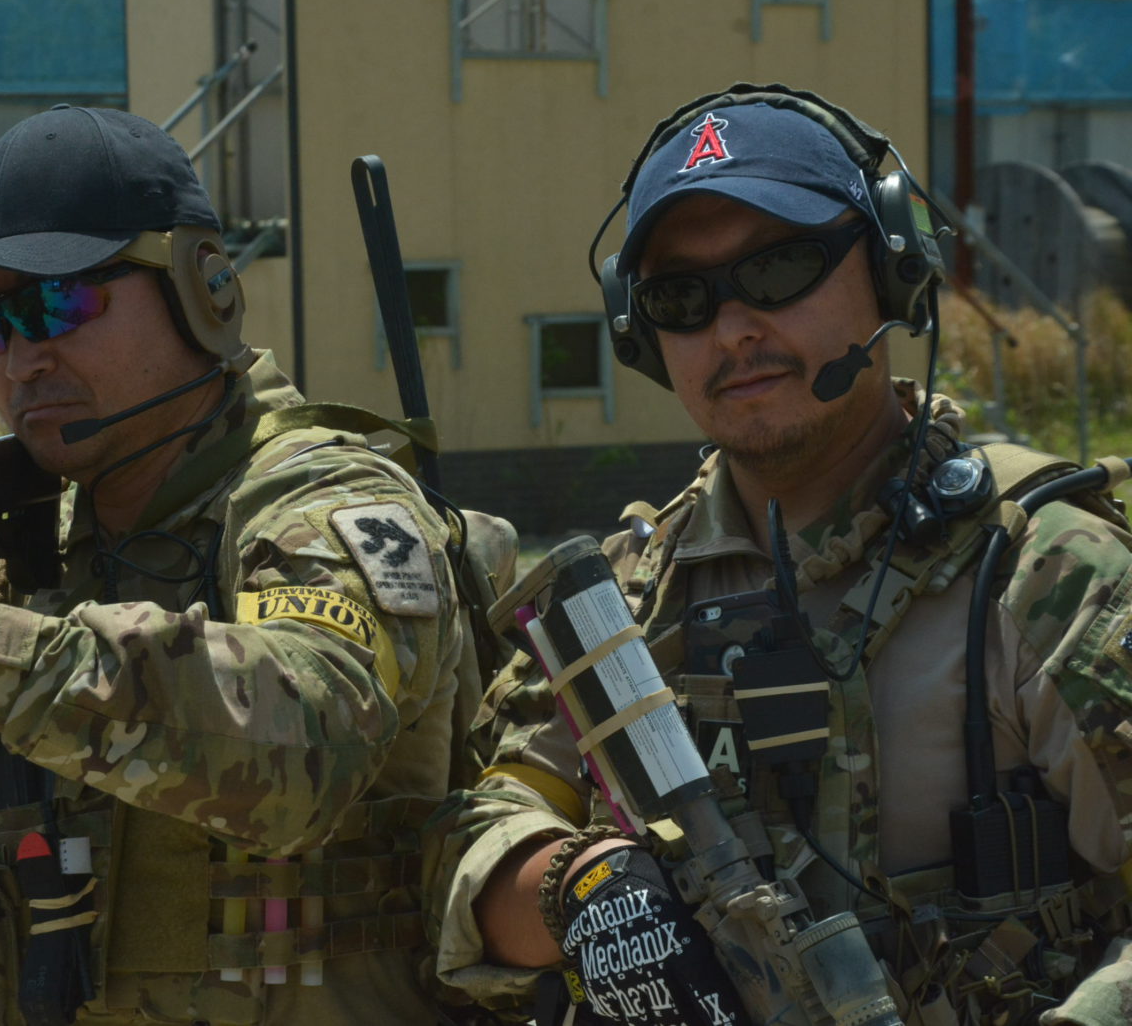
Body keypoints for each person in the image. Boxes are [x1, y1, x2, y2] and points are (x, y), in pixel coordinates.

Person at [0, 104, 486, 1025]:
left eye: (58, 302)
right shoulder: (21, 546)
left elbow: (310, 750)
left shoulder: (321, 498)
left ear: (202, 288)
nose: (23, 358)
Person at [424, 84, 1132, 1025]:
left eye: (781, 269)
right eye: (681, 297)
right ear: (641, 333)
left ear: (891, 266)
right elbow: (473, 848)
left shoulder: (1042, 570)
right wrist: (584, 890)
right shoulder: (620, 600)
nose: (732, 329)